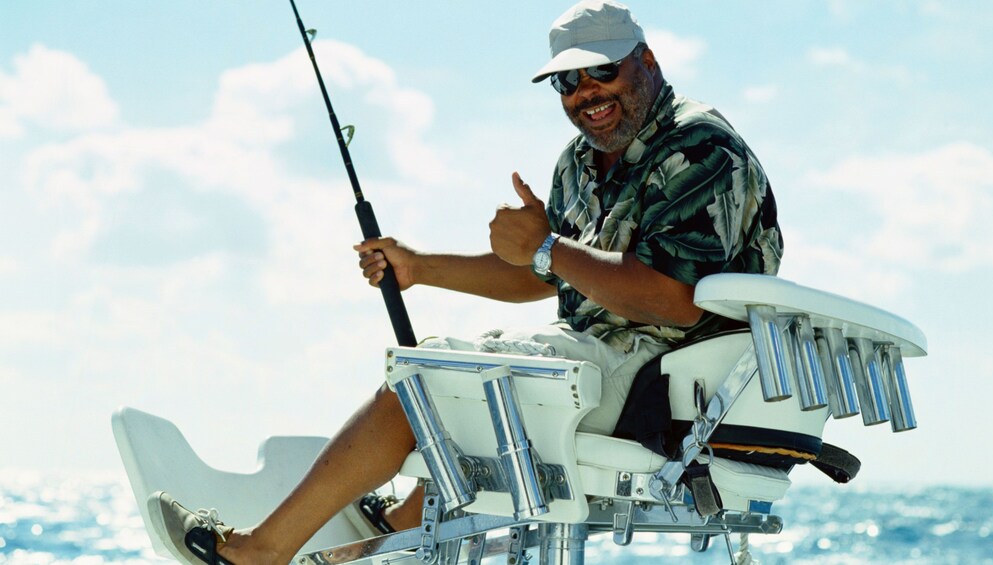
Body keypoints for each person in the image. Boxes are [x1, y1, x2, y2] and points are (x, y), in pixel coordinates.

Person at [149, 1, 782, 563]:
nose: (585, 92)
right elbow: (551, 276)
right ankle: (390, 529)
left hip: (670, 388)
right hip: (610, 365)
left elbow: (673, 300)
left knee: (421, 385)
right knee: (463, 365)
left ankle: (258, 554)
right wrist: (421, 267)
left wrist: (545, 247)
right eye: (567, 80)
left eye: (602, 71)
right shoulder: (582, 163)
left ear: (645, 60)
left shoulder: (698, 146)